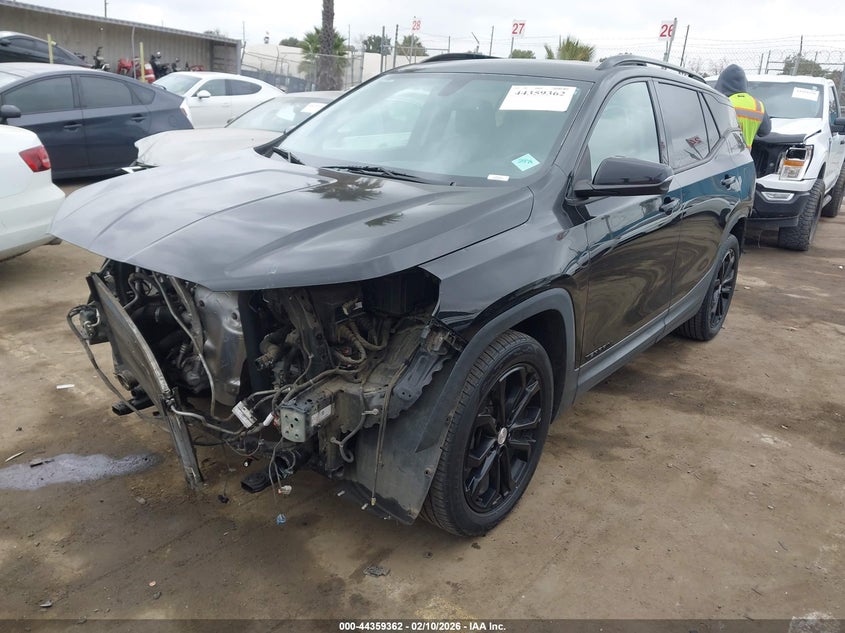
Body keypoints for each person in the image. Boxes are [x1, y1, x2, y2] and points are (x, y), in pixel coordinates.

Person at [714, 64, 771, 147]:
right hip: (744, 157)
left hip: (719, 156)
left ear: (721, 83)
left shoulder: (720, 102)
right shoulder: (758, 106)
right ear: (744, 83)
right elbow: (764, 132)